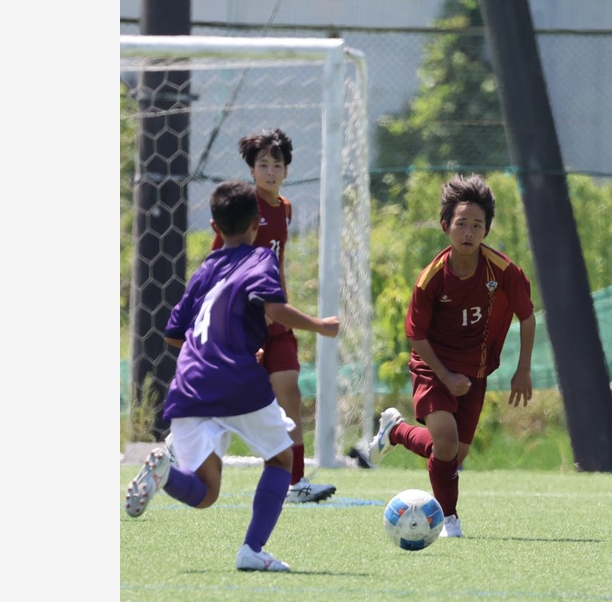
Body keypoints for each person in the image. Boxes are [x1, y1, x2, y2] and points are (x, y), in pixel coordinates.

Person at [123, 180, 340, 572]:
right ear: (257, 225)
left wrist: (224, 347)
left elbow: (175, 335)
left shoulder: (205, 270)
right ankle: (253, 550)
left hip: (189, 386)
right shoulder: (260, 259)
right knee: (280, 457)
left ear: (213, 227)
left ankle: (164, 473)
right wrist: (320, 325)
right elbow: (274, 308)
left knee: (205, 492)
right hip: (236, 380)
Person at [367, 174, 536, 538]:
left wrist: (523, 369)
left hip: (474, 371)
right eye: (461, 223)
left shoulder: (502, 270)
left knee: (454, 455)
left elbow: (527, 316)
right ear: (446, 226)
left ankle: (395, 431)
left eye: (477, 225)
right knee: (443, 443)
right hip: (433, 366)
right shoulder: (431, 279)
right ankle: (449, 518)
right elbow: (416, 336)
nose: (468, 232)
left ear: (486, 230)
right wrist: (445, 376)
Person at [211, 128, 336, 504]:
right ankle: (177, 450)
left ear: (286, 170)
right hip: (244, 322)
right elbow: (219, 261)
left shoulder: (285, 208)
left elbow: (275, 262)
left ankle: (295, 484)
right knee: (228, 401)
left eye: (276, 164)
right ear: (251, 170)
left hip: (276, 317)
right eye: (262, 164)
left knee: (290, 394)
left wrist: (279, 303)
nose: (269, 171)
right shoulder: (242, 210)